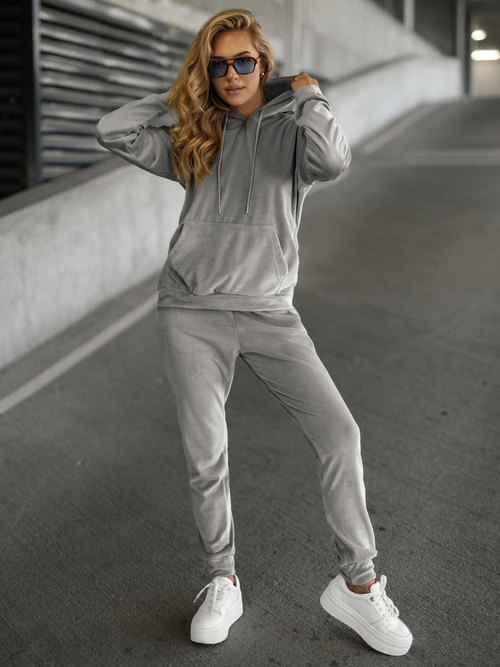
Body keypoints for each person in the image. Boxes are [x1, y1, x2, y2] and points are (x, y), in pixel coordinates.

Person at [95, 8, 412, 657]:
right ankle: (222, 579)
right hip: (190, 311)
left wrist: (308, 94)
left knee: (340, 434)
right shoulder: (196, 137)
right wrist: (182, 98)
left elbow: (335, 159)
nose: (232, 74)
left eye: (244, 61)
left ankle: (358, 584)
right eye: (218, 65)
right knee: (206, 454)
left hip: (270, 311)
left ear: (263, 64)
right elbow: (113, 129)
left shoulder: (293, 130)